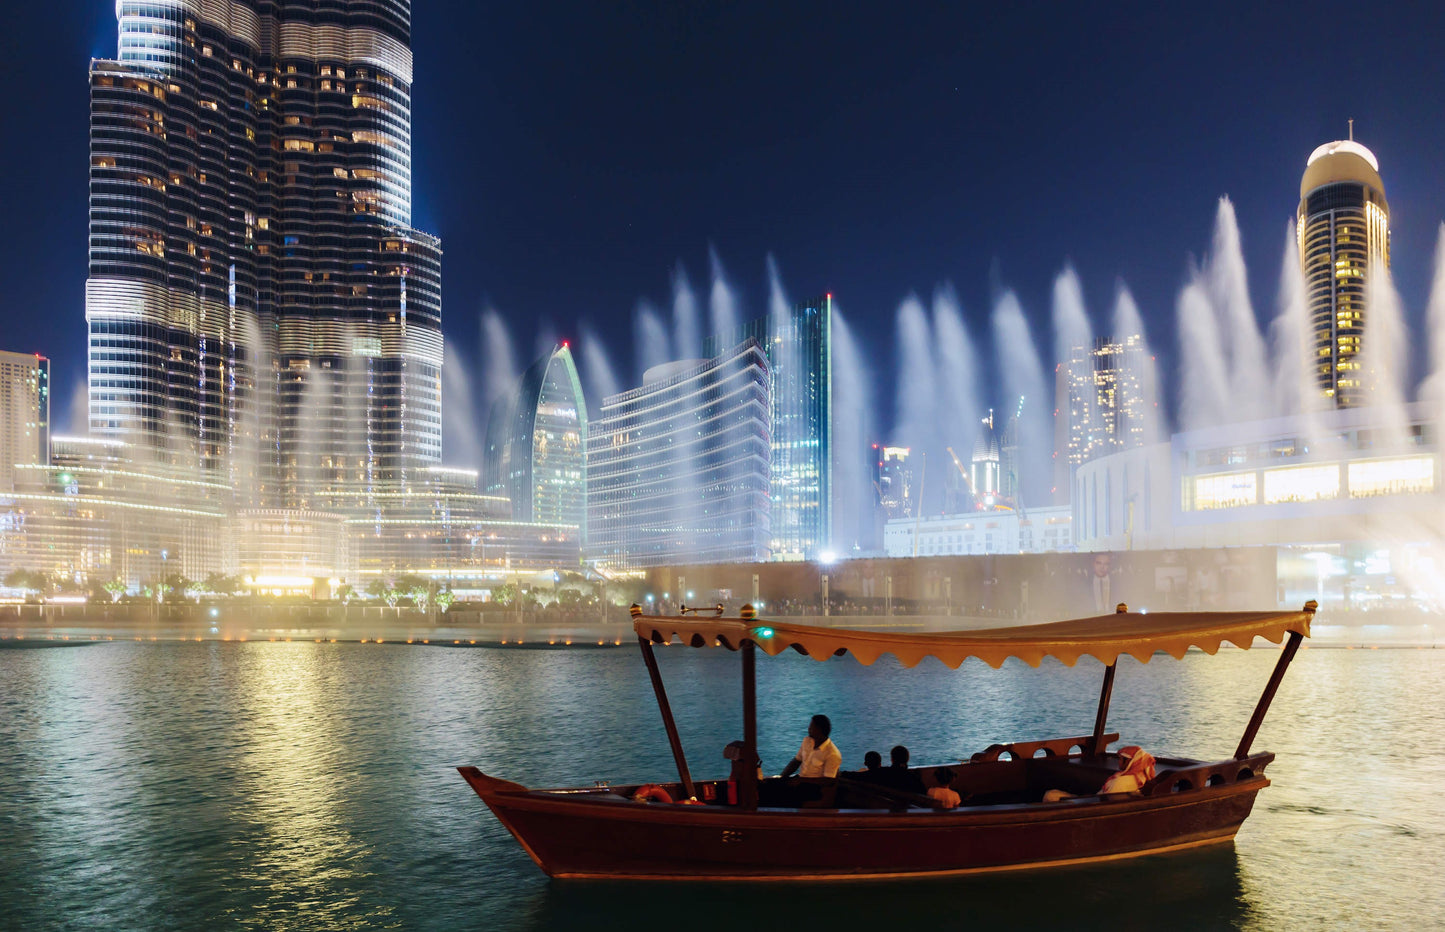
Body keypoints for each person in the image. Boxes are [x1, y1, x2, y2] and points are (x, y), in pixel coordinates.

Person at [1042, 746, 1157, 802]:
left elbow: (1102, 800)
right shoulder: (1140, 778)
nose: (1119, 762)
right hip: (1093, 800)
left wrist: (1085, 799)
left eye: (1121, 759)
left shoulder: (1121, 782)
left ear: (1129, 762)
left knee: (1050, 795)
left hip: (1089, 807)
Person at [780, 714, 842, 779]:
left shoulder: (832, 753)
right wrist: (781, 777)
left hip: (814, 786)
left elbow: (828, 780)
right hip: (801, 780)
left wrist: (799, 782)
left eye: (811, 726)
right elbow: (796, 761)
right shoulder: (807, 741)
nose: (809, 728)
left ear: (819, 730)